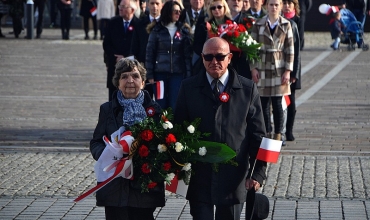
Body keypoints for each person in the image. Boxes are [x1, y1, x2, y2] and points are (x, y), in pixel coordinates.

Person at [174, 37, 268, 220]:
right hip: (200, 175)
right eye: (208, 57)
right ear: (202, 58)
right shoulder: (188, 87)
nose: (214, 62)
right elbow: (178, 129)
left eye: (219, 56)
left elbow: (259, 135)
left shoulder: (247, 89)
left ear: (230, 57)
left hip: (234, 176)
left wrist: (257, 173)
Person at [90, 58, 165, 220]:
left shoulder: (155, 110)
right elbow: (95, 142)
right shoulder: (107, 110)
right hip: (114, 184)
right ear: (118, 83)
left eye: (135, 76)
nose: (130, 80)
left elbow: (163, 146)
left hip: (144, 184)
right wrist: (108, 155)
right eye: (124, 76)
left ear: (143, 82)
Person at [250, 0, 294, 141]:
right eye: (271, 4)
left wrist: (288, 70)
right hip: (263, 67)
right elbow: (253, 48)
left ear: (281, 6)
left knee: (277, 103)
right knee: (263, 103)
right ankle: (266, 133)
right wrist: (253, 68)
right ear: (266, 6)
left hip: (279, 67)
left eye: (276, 4)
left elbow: (290, 50)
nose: (274, 7)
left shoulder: (286, 24)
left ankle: (278, 135)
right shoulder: (258, 24)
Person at [145, 0, 192, 110]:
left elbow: (187, 56)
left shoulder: (183, 31)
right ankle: (161, 127)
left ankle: (172, 127)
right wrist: (150, 74)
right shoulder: (156, 30)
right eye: (175, 11)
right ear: (168, 12)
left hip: (177, 74)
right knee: (160, 103)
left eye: (179, 11)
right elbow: (150, 53)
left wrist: (188, 75)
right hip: (159, 74)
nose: (178, 14)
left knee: (174, 103)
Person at [103, 0, 142, 100]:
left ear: (132, 10)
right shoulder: (113, 23)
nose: (120, 8)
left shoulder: (139, 24)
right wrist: (113, 57)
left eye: (124, 6)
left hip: (131, 67)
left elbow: (140, 47)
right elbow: (106, 43)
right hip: (114, 67)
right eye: (120, 6)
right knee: (113, 100)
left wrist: (125, 58)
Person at [192, 0, 232, 74]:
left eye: (219, 7)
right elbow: (197, 44)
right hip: (208, 59)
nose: (216, 10)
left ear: (225, 8)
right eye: (213, 8)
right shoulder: (204, 25)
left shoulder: (232, 24)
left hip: (227, 60)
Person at [282, 0, 301, 142]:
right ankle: (279, 130)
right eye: (285, 2)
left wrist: (294, 73)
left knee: (290, 101)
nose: (287, 5)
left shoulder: (296, 22)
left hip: (291, 66)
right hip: (276, 67)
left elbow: (299, 47)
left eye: (290, 3)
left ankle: (289, 130)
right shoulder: (275, 20)